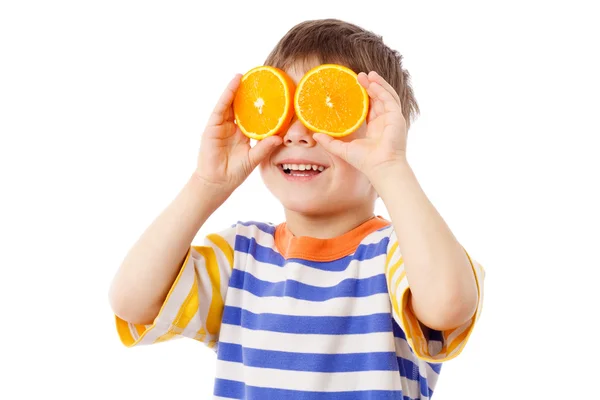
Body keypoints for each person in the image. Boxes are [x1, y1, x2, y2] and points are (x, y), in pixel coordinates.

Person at [109, 18, 485, 399]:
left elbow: (448, 305)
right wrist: (205, 186)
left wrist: (391, 168)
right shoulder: (241, 256)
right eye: (283, 110)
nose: (295, 133)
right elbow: (131, 302)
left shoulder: (398, 256)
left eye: (328, 112)